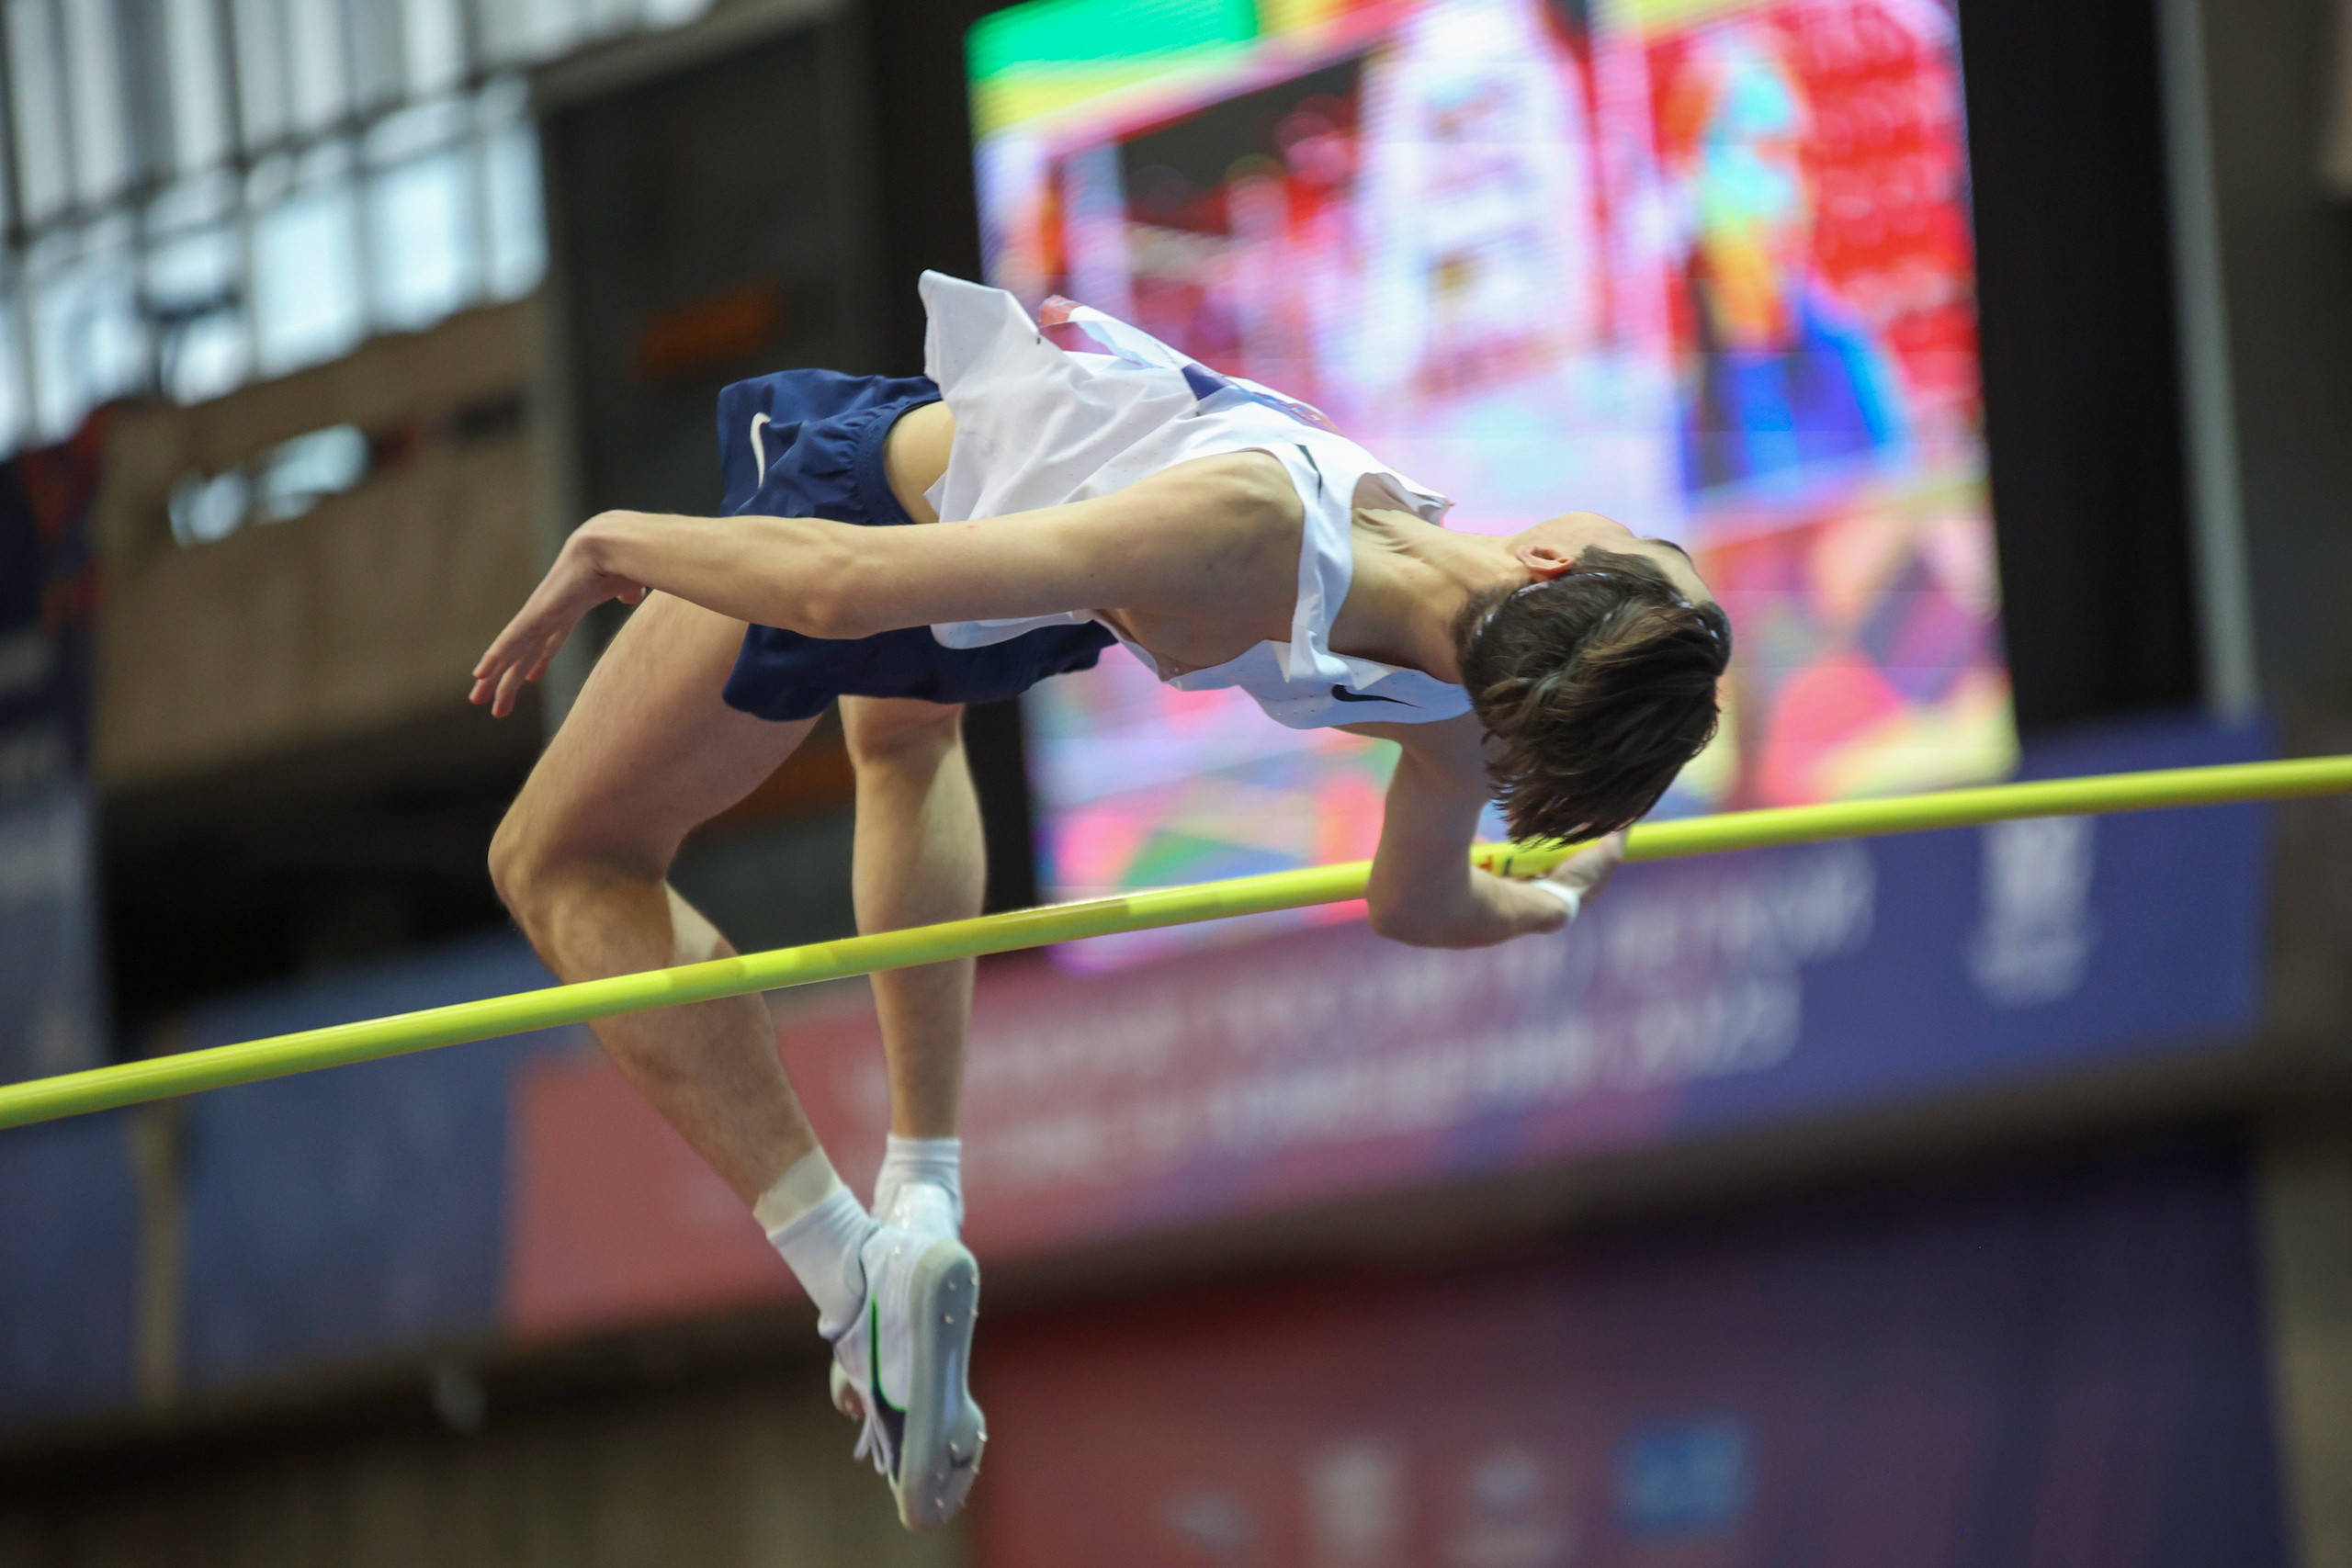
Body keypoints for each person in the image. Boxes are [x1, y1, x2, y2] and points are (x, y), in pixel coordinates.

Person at [474, 274, 1731, 1530]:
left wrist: (608, 542)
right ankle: (922, 1194)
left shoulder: (1248, 522)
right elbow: (1419, 901)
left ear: (1556, 560)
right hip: (1027, 610)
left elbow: (844, 583)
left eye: (1650, 549)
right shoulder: (1465, 717)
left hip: (883, 519)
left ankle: (847, 1273)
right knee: (904, 738)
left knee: (564, 863)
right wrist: (1551, 905)